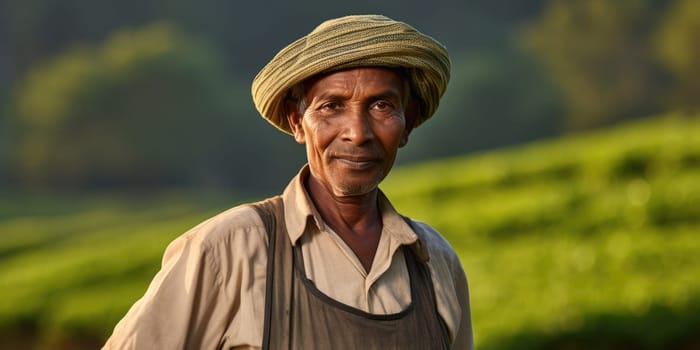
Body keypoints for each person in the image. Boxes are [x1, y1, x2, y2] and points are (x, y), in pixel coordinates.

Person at [103, 14, 473, 349]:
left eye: (381, 106)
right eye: (332, 106)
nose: (358, 133)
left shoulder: (434, 261)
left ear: (407, 122)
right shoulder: (230, 248)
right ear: (298, 121)